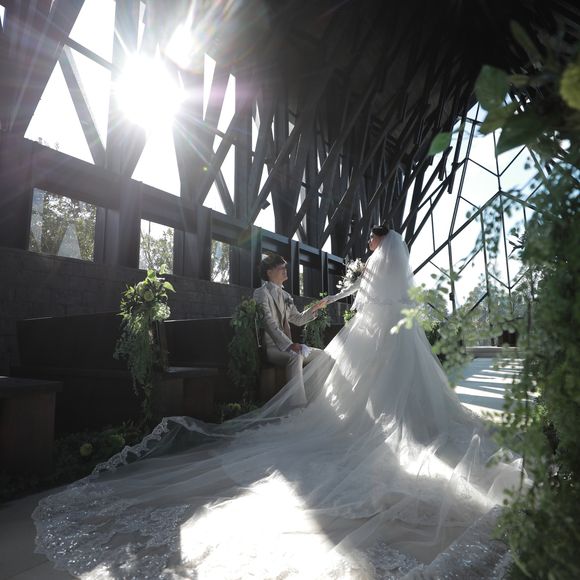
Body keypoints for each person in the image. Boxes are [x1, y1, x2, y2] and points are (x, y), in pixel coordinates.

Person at [33, 227, 524, 579]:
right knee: (342, 365)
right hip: (312, 341)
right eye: (283, 267)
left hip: (347, 331)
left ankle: (341, 408)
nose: (371, 249)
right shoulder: (275, 290)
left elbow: (318, 310)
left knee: (337, 363)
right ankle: (343, 408)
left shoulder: (363, 271)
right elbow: (283, 322)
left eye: (372, 243)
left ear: (381, 244)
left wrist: (321, 306)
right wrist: (312, 321)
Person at [253, 253, 326, 406]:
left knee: (321, 355)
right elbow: (268, 323)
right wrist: (289, 345)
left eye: (285, 267)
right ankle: (296, 406)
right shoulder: (260, 293)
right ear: (269, 272)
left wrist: (314, 309)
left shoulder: (286, 296)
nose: (285, 270)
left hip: (287, 346)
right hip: (272, 348)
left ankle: (315, 400)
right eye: (281, 268)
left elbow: (298, 319)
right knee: (296, 356)